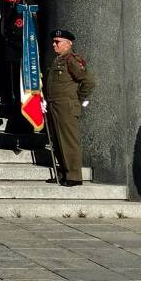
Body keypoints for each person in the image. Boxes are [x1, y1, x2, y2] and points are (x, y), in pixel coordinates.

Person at [43, 29, 94, 186]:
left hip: (66, 105)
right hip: (54, 105)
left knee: (69, 141)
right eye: (53, 41)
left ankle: (74, 176)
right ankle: (64, 172)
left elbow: (88, 81)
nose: (54, 44)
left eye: (57, 42)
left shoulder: (72, 59)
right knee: (57, 141)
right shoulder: (58, 60)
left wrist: (78, 99)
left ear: (68, 43)